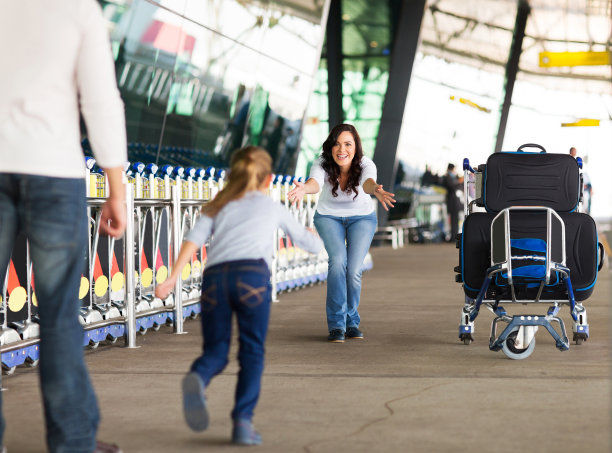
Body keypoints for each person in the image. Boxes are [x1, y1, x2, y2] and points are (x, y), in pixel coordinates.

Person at [0, 1, 127, 452]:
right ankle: (72, 441)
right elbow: (100, 100)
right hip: (53, 168)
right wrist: (116, 187)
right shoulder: (76, 9)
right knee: (57, 319)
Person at [155, 146, 322, 446]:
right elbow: (306, 243)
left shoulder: (220, 203)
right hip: (252, 278)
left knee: (216, 352)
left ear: (232, 174)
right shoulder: (273, 207)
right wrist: (317, 238)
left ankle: (200, 376)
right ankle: (242, 423)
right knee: (251, 352)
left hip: (215, 278)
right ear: (269, 179)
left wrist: (171, 277)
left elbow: (193, 240)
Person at [287, 124, 395, 343]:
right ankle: (337, 325)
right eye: (337, 143)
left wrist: (377, 190)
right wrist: (303, 189)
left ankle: (351, 321)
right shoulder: (321, 163)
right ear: (330, 146)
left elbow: (368, 184)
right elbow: (314, 184)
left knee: (354, 269)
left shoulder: (366, 164)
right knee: (338, 262)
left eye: (347, 144)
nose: (341, 149)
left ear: (356, 147)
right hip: (328, 216)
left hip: (362, 218)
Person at [441, 163, 463, 242]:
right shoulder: (447, 177)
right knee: (453, 220)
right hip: (452, 201)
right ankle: (453, 237)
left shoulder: (452, 177)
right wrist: (459, 183)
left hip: (454, 201)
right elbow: (452, 186)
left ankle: (454, 236)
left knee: (455, 219)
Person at [569, 147, 593, 214]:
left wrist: (589, 188)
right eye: (573, 151)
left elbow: (587, 182)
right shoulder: (568, 162)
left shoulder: (578, 162)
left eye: (575, 151)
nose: (574, 152)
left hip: (581, 188)